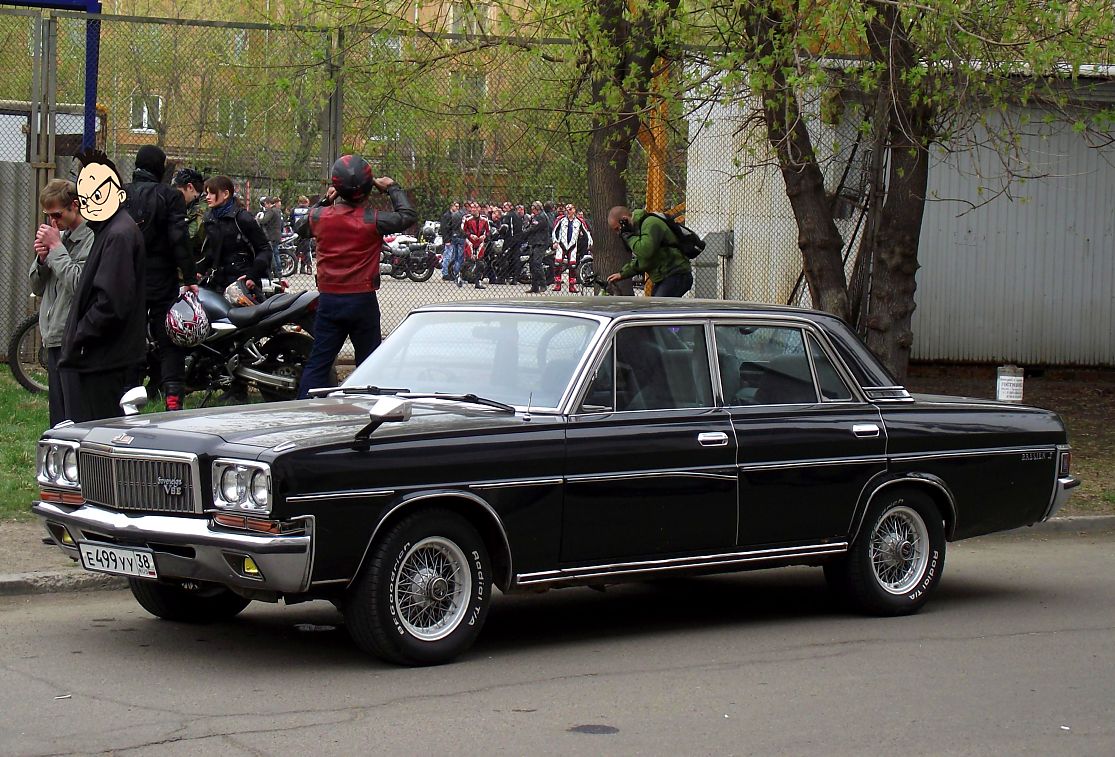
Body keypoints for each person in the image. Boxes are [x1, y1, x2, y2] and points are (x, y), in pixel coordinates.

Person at [294, 154, 416, 398]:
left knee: (319, 362)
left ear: (337, 188)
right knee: (370, 361)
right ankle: (370, 408)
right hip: (362, 299)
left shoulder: (319, 217)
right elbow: (407, 217)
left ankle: (303, 409)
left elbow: (300, 227)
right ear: (367, 188)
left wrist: (324, 202)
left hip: (329, 299)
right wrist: (392, 188)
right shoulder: (372, 220)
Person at [58, 149, 146, 423]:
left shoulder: (118, 234)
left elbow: (111, 302)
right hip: (103, 357)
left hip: (106, 361)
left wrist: (80, 336)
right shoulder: (111, 230)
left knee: (99, 440)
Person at [125, 145, 195, 411]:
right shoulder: (169, 196)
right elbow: (179, 237)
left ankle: (129, 394)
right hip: (161, 278)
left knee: (131, 337)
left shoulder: (122, 194)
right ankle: (173, 396)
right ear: (159, 167)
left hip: (129, 277)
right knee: (169, 337)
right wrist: (189, 276)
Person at [29, 179, 94, 427]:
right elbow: (36, 287)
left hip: (73, 335)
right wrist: (43, 260)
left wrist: (56, 248)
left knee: (74, 415)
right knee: (58, 415)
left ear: (74, 206)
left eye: (57, 215)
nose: (53, 223)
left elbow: (79, 285)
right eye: (48, 217)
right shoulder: (61, 238)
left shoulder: (90, 238)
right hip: (53, 333)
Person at [199, 175, 272, 293]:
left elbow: (265, 249)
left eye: (211, 193)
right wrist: (200, 270)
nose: (207, 197)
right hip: (218, 281)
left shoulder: (243, 218)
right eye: (206, 193)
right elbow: (212, 251)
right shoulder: (210, 219)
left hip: (242, 282)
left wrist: (252, 275)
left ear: (225, 194)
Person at [606, 205, 693, 297]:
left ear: (624, 220)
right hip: (665, 276)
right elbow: (643, 260)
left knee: (657, 309)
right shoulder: (638, 229)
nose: (618, 233)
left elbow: (645, 252)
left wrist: (629, 237)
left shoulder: (650, 224)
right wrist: (623, 274)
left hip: (676, 274)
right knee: (654, 306)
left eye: (617, 228)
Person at [551, 203, 593, 293]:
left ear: (574, 210)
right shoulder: (560, 219)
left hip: (573, 245)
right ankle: (557, 283)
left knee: (573, 265)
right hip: (561, 244)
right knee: (558, 263)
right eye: (567, 210)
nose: (568, 211)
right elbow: (554, 230)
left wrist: (590, 242)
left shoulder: (579, 221)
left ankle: (572, 285)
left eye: (570, 209)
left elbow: (587, 232)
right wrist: (554, 241)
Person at [172, 167, 206, 267]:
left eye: (179, 191)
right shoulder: (190, 205)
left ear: (190, 188)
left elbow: (190, 236)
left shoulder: (203, 207)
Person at [522, 200, 553, 293]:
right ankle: (534, 286)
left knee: (537, 262)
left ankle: (543, 284)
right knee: (532, 263)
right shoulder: (536, 216)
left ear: (537, 209)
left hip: (541, 243)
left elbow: (533, 228)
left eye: (533, 209)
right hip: (534, 242)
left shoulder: (542, 217)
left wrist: (525, 231)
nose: (532, 211)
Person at [461, 201, 490, 290]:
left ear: (479, 209)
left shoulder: (485, 219)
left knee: (480, 262)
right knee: (469, 261)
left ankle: (477, 282)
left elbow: (488, 231)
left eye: (475, 207)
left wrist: (484, 236)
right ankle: (459, 275)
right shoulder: (466, 218)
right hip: (469, 241)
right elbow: (463, 229)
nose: (473, 209)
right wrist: (470, 235)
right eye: (472, 207)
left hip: (480, 241)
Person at [440, 201, 465, 282]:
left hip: (453, 238)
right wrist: (446, 240)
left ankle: (450, 272)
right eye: (456, 206)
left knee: (453, 256)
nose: (457, 208)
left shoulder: (456, 216)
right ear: (452, 206)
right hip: (449, 239)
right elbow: (444, 228)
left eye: (458, 206)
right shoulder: (447, 215)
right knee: (447, 255)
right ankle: (445, 273)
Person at [259, 195, 284, 278]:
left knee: (273, 254)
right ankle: (279, 271)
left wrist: (259, 219)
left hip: (271, 235)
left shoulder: (271, 211)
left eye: (265, 204)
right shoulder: (278, 210)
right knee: (276, 253)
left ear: (269, 204)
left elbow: (264, 220)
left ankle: (276, 270)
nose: (265, 206)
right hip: (277, 234)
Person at [289, 195, 313, 273]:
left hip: (297, 232)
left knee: (297, 250)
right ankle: (307, 267)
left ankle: (294, 268)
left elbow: (291, 221)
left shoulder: (293, 210)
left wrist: (295, 228)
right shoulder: (309, 210)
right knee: (307, 250)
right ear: (306, 202)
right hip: (306, 232)